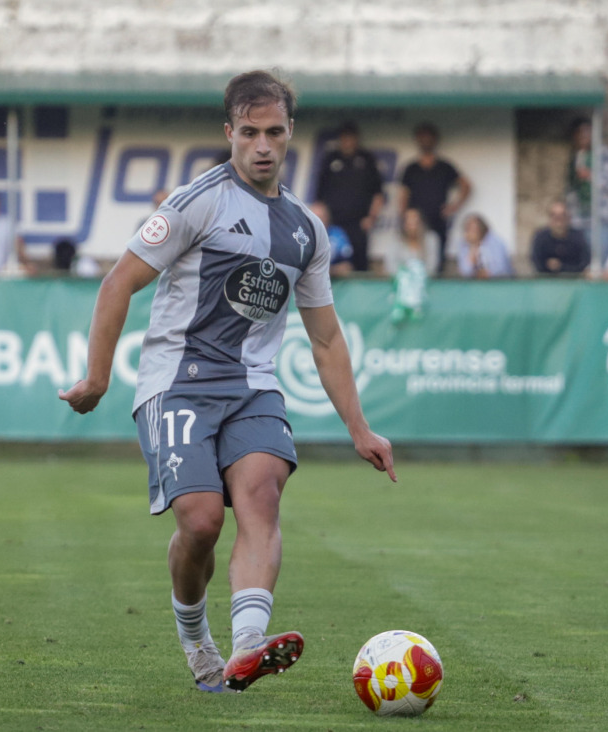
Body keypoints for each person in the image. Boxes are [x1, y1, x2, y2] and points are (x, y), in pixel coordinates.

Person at [57, 70, 395, 695]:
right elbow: (117, 285)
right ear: (229, 133)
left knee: (262, 496)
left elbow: (325, 338)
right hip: (176, 384)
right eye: (249, 132)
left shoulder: (306, 229)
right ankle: (195, 638)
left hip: (253, 387)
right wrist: (97, 379)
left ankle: (247, 647)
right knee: (203, 522)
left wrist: (360, 428)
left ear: (291, 133)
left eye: (274, 132)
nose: (262, 145)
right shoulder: (197, 202)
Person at [397, 122, 471, 275]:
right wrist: (404, 216)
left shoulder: (444, 166)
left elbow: (466, 186)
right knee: (411, 258)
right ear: (417, 140)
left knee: (437, 263)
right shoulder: (411, 168)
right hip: (415, 223)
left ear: (435, 139)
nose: (425, 140)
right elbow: (403, 195)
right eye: (422, 137)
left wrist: (454, 207)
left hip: (438, 220)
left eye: (428, 137)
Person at [315, 121, 384, 272]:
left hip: (358, 224)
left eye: (350, 137)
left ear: (356, 139)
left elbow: (378, 193)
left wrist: (371, 218)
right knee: (328, 262)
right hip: (333, 224)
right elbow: (319, 195)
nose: (347, 141)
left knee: (359, 264)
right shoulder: (331, 159)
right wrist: (323, 221)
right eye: (344, 138)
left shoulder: (366, 159)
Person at [564, 117, 608, 260]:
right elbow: (570, 190)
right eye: (579, 133)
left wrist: (591, 176)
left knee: (601, 265)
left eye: (587, 132)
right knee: (580, 265)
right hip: (577, 222)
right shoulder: (575, 158)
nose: (583, 136)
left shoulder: (606, 155)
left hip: (600, 221)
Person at [531, 201, 590, 275]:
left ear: (568, 217)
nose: (558, 220)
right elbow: (536, 262)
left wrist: (562, 267)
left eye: (562, 215)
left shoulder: (578, 237)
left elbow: (584, 264)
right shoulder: (541, 237)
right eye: (554, 216)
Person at [456, 213, 512, 279]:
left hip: (500, 282)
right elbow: (465, 271)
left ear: (481, 229)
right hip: (474, 284)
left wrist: (486, 273)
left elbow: (500, 268)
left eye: (473, 229)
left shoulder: (495, 242)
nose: (469, 232)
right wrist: (473, 249)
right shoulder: (464, 244)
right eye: (467, 229)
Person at [308, 201, 355, 279]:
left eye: (321, 217)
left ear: (327, 218)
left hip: (334, 284)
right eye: (314, 217)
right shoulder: (301, 236)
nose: (318, 221)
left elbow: (347, 267)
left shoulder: (338, 235)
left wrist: (330, 270)